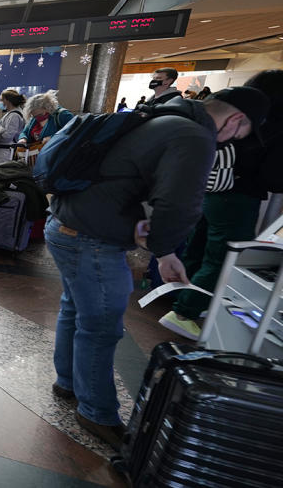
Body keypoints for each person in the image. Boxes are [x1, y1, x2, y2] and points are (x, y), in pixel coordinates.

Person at [45, 87, 268, 451]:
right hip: (93, 239)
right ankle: (96, 412)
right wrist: (165, 251)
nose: (234, 142)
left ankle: (68, 381)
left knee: (75, 307)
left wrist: (158, 247)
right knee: (101, 327)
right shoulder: (194, 136)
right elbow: (178, 205)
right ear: (235, 120)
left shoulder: (159, 114)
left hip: (66, 224)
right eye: (239, 136)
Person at [160, 75, 282, 339]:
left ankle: (181, 300)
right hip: (238, 199)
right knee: (223, 257)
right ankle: (185, 313)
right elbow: (274, 177)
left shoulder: (229, 114)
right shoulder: (268, 126)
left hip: (209, 191)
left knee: (197, 248)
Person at [17, 90, 73, 165]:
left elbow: (74, 132)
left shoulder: (62, 115)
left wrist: (52, 138)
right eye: (34, 116)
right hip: (39, 160)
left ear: (47, 107)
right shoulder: (34, 119)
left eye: (40, 115)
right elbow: (25, 132)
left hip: (58, 161)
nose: (37, 118)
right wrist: (22, 139)